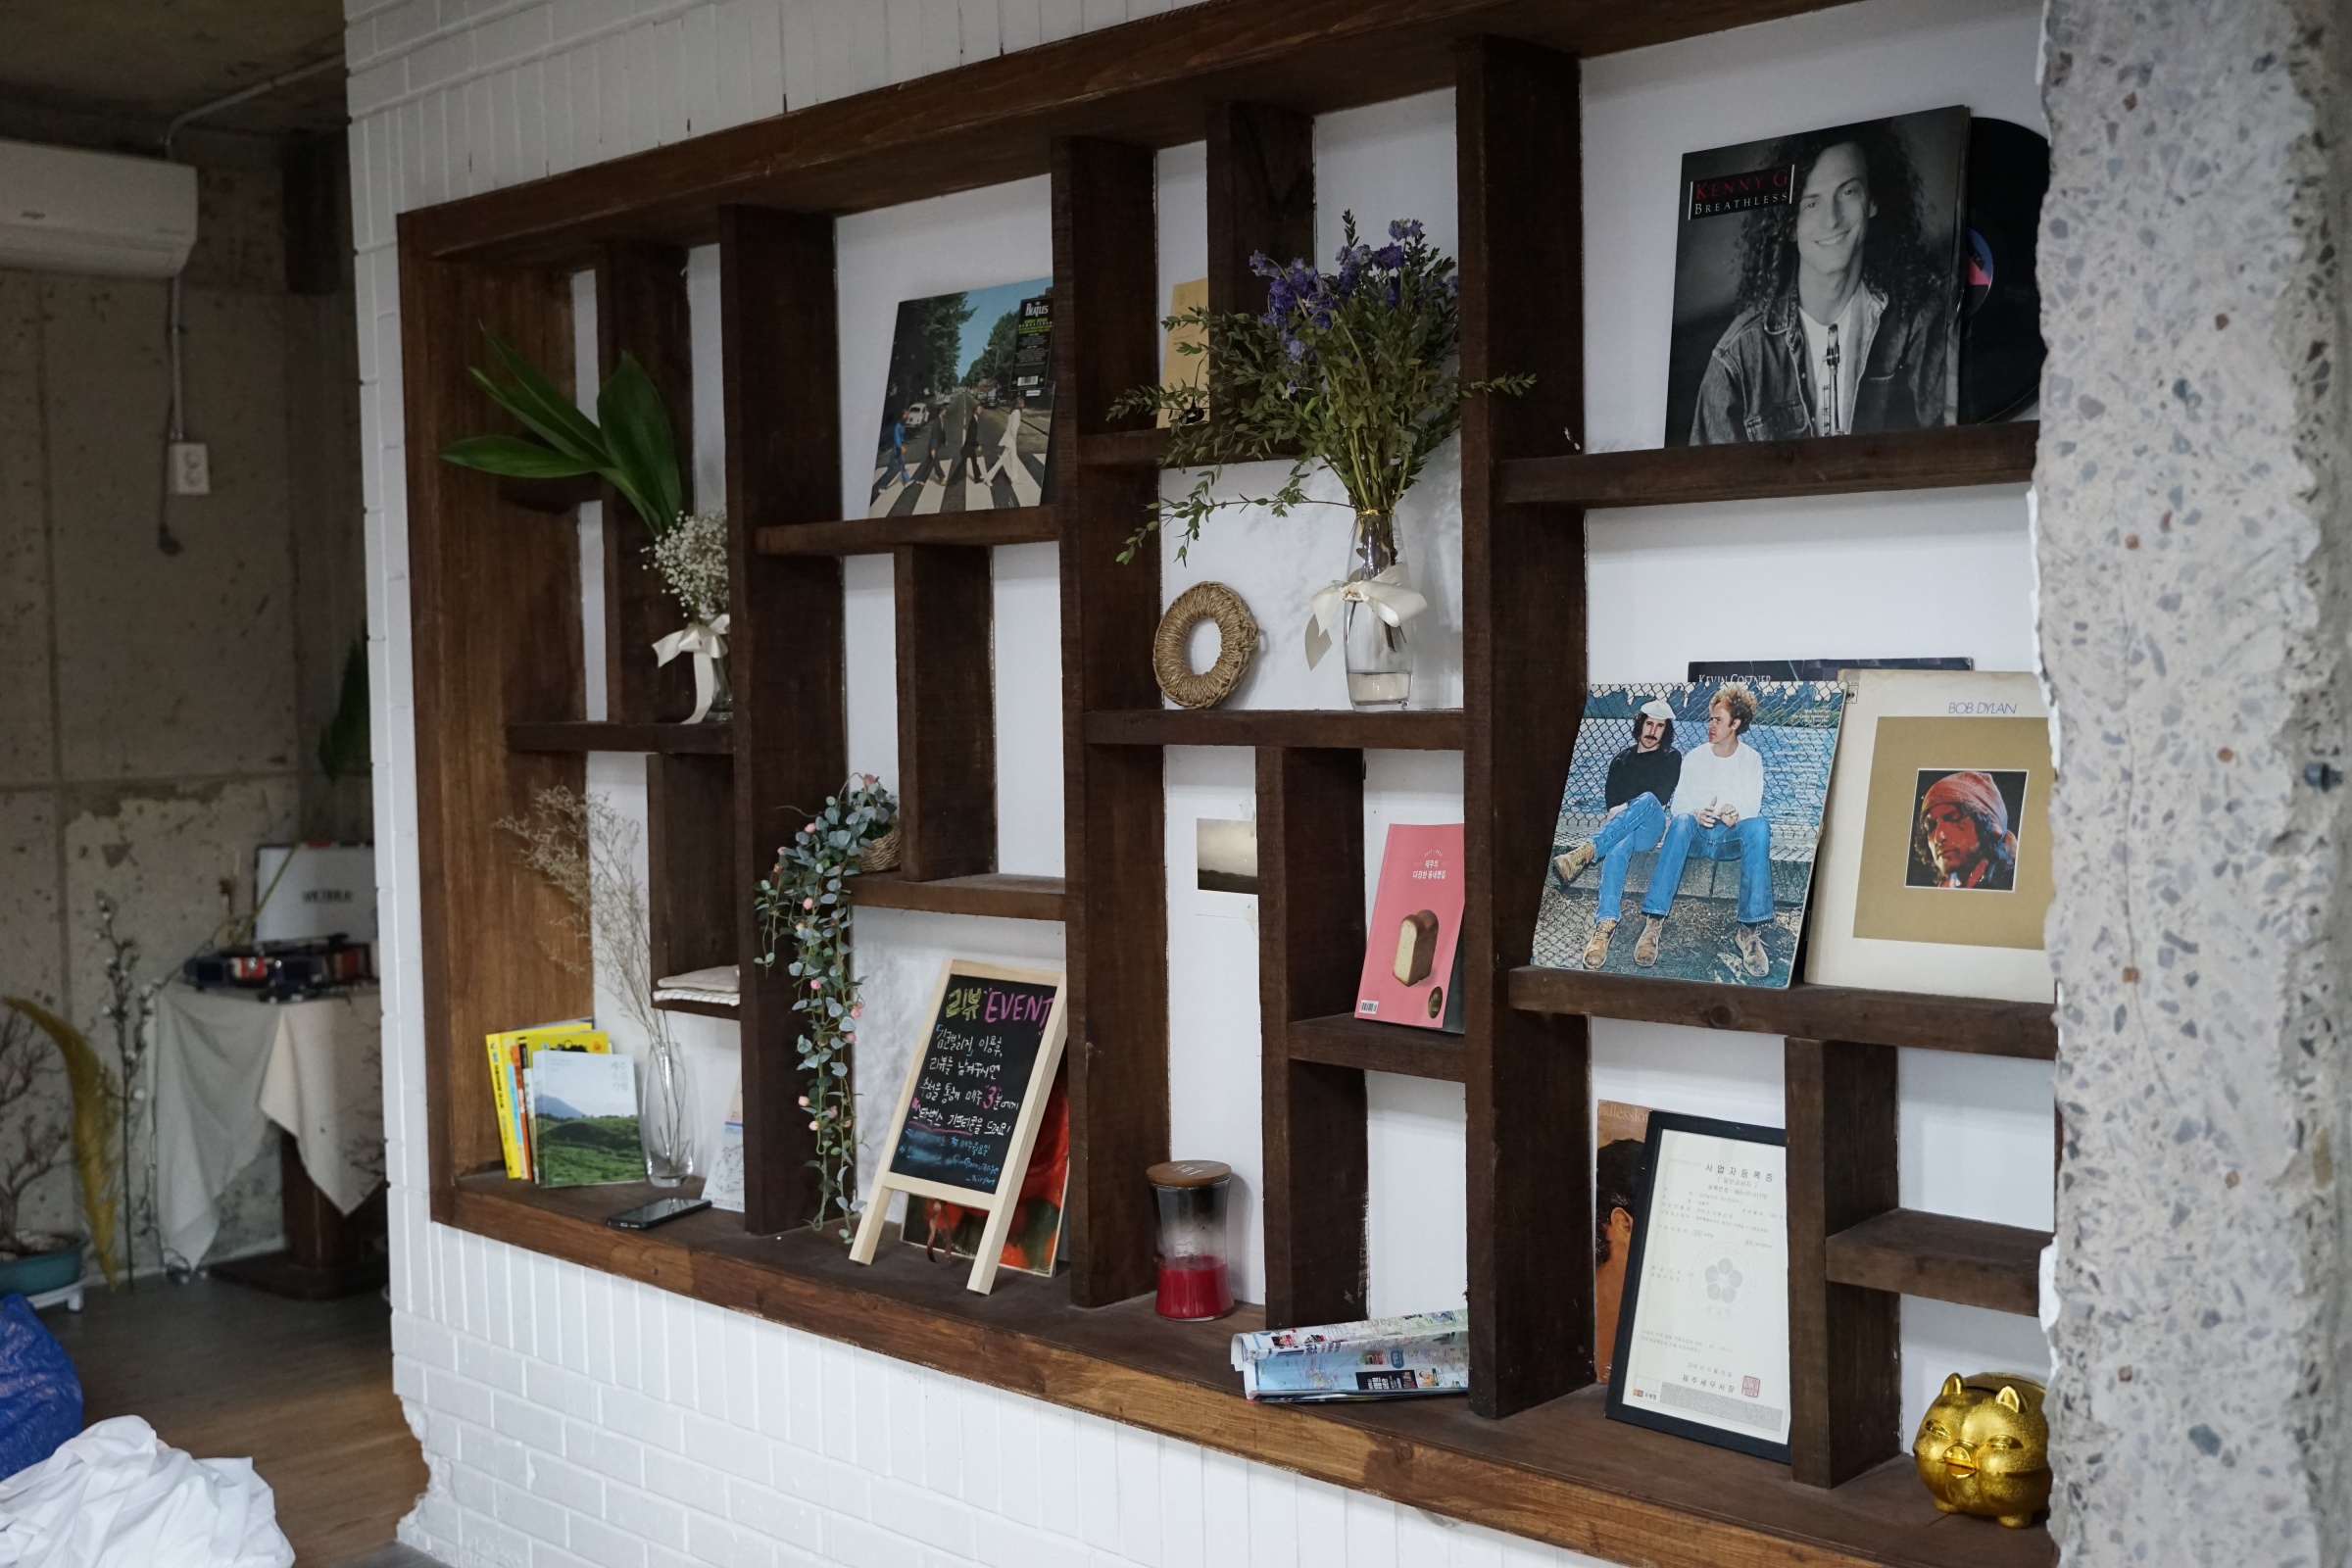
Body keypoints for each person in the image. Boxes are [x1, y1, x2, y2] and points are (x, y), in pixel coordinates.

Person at [1690, 122, 1951, 444]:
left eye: (1848, 192)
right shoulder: (1737, 358)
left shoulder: (1919, 319)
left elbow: (1955, 450)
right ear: (1789, 225)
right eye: (1811, 203)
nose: (1832, 220)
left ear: (1872, 201)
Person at [1634, 683, 1775, 977]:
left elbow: (1752, 807)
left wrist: (1734, 812)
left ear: (1735, 724)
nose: (1710, 725)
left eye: (1718, 720)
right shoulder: (1695, 757)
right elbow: (1679, 805)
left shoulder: (1751, 759)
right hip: (1697, 836)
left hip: (1728, 838)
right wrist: (1696, 812)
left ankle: (1748, 931)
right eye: (1710, 718)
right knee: (1681, 821)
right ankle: (1653, 923)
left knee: (1760, 827)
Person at [1553, 699, 1684, 968]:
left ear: (1666, 730)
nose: (1653, 731)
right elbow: (1613, 810)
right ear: (1640, 724)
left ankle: (1587, 851)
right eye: (1649, 723)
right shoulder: (1620, 761)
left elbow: (1658, 802)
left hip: (1650, 830)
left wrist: (1628, 807)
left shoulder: (1671, 758)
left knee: (1647, 799)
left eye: (1660, 726)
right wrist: (1624, 812)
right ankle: (1605, 924)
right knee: (1619, 842)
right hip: (1623, 833)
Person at [1911, 770, 2020, 891]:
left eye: (1953, 818)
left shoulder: (2017, 883)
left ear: (1988, 825)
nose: (1938, 837)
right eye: (1930, 826)